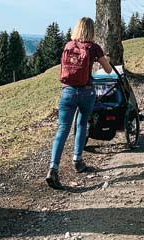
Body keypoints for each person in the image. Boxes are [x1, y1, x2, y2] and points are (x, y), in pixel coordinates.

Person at [46, 17, 113, 190]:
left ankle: (53, 168)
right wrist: (103, 59)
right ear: (91, 30)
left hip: (67, 91)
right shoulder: (93, 47)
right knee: (82, 123)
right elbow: (108, 70)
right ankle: (78, 160)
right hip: (86, 91)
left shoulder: (69, 46)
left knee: (62, 129)